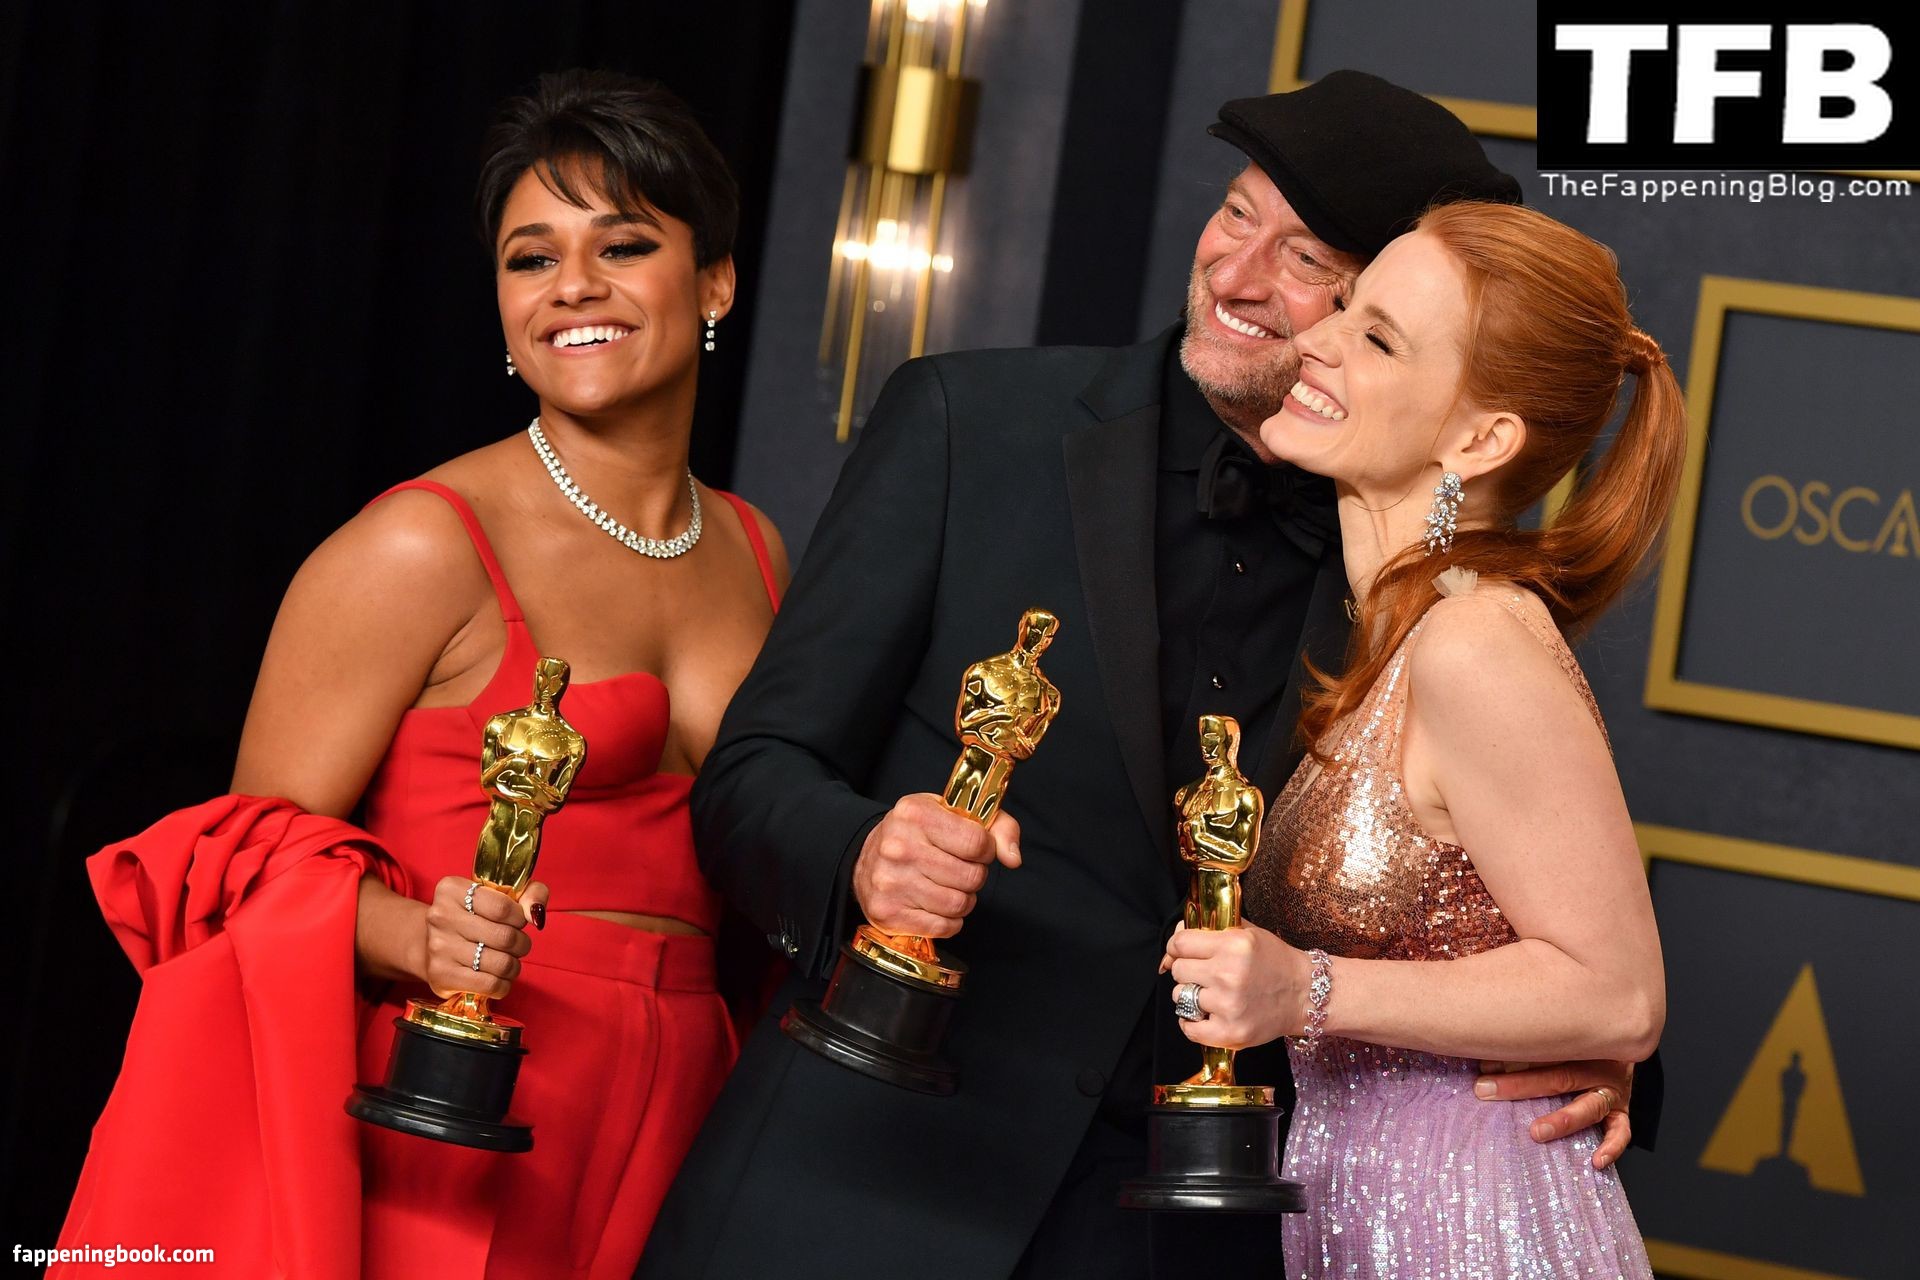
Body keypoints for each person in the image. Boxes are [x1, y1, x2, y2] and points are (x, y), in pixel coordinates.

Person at [642, 72, 1658, 1280]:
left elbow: (1553, 926)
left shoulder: (1429, 593)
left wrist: (1590, 1062)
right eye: (1235, 214)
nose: (1238, 277)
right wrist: (863, 854)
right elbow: (752, 774)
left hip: (1188, 1233)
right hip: (860, 1179)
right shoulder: (968, 422)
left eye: (1311, 263)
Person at [53, 69, 786, 1280]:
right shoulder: (422, 542)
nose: (573, 287)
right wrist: (419, 936)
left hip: (681, 1120)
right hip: (457, 1101)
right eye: (531, 258)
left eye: (623, 245)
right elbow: (232, 859)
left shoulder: (758, 551)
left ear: (714, 282)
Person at [1165, 198, 1680, 1276]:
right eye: (1346, 308)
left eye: (1379, 338)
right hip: (1366, 1212)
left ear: (1482, 440)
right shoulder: (1401, 632)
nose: (1317, 339)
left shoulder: (1473, 641)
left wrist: (1306, 987)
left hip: (1473, 1223)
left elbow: (1621, 994)